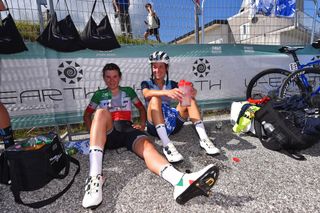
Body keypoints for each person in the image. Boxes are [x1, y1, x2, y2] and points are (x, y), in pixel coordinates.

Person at [81, 63, 219, 209]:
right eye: (108, 77)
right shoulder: (98, 94)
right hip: (109, 131)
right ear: (103, 78)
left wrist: (141, 123)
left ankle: (179, 180)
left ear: (120, 77)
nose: (111, 80)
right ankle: (94, 179)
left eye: (115, 76)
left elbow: (141, 108)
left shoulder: (128, 90)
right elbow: (87, 115)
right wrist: (94, 134)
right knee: (101, 112)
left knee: (148, 146)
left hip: (127, 128)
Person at [141, 51, 220, 163]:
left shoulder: (172, 83)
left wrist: (191, 90)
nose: (157, 70)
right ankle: (166, 145)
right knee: (155, 98)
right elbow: (146, 94)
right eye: (154, 67)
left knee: (188, 97)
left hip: (172, 123)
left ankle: (204, 139)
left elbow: (190, 91)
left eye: (161, 67)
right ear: (151, 68)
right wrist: (166, 92)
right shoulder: (146, 83)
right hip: (154, 126)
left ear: (166, 68)